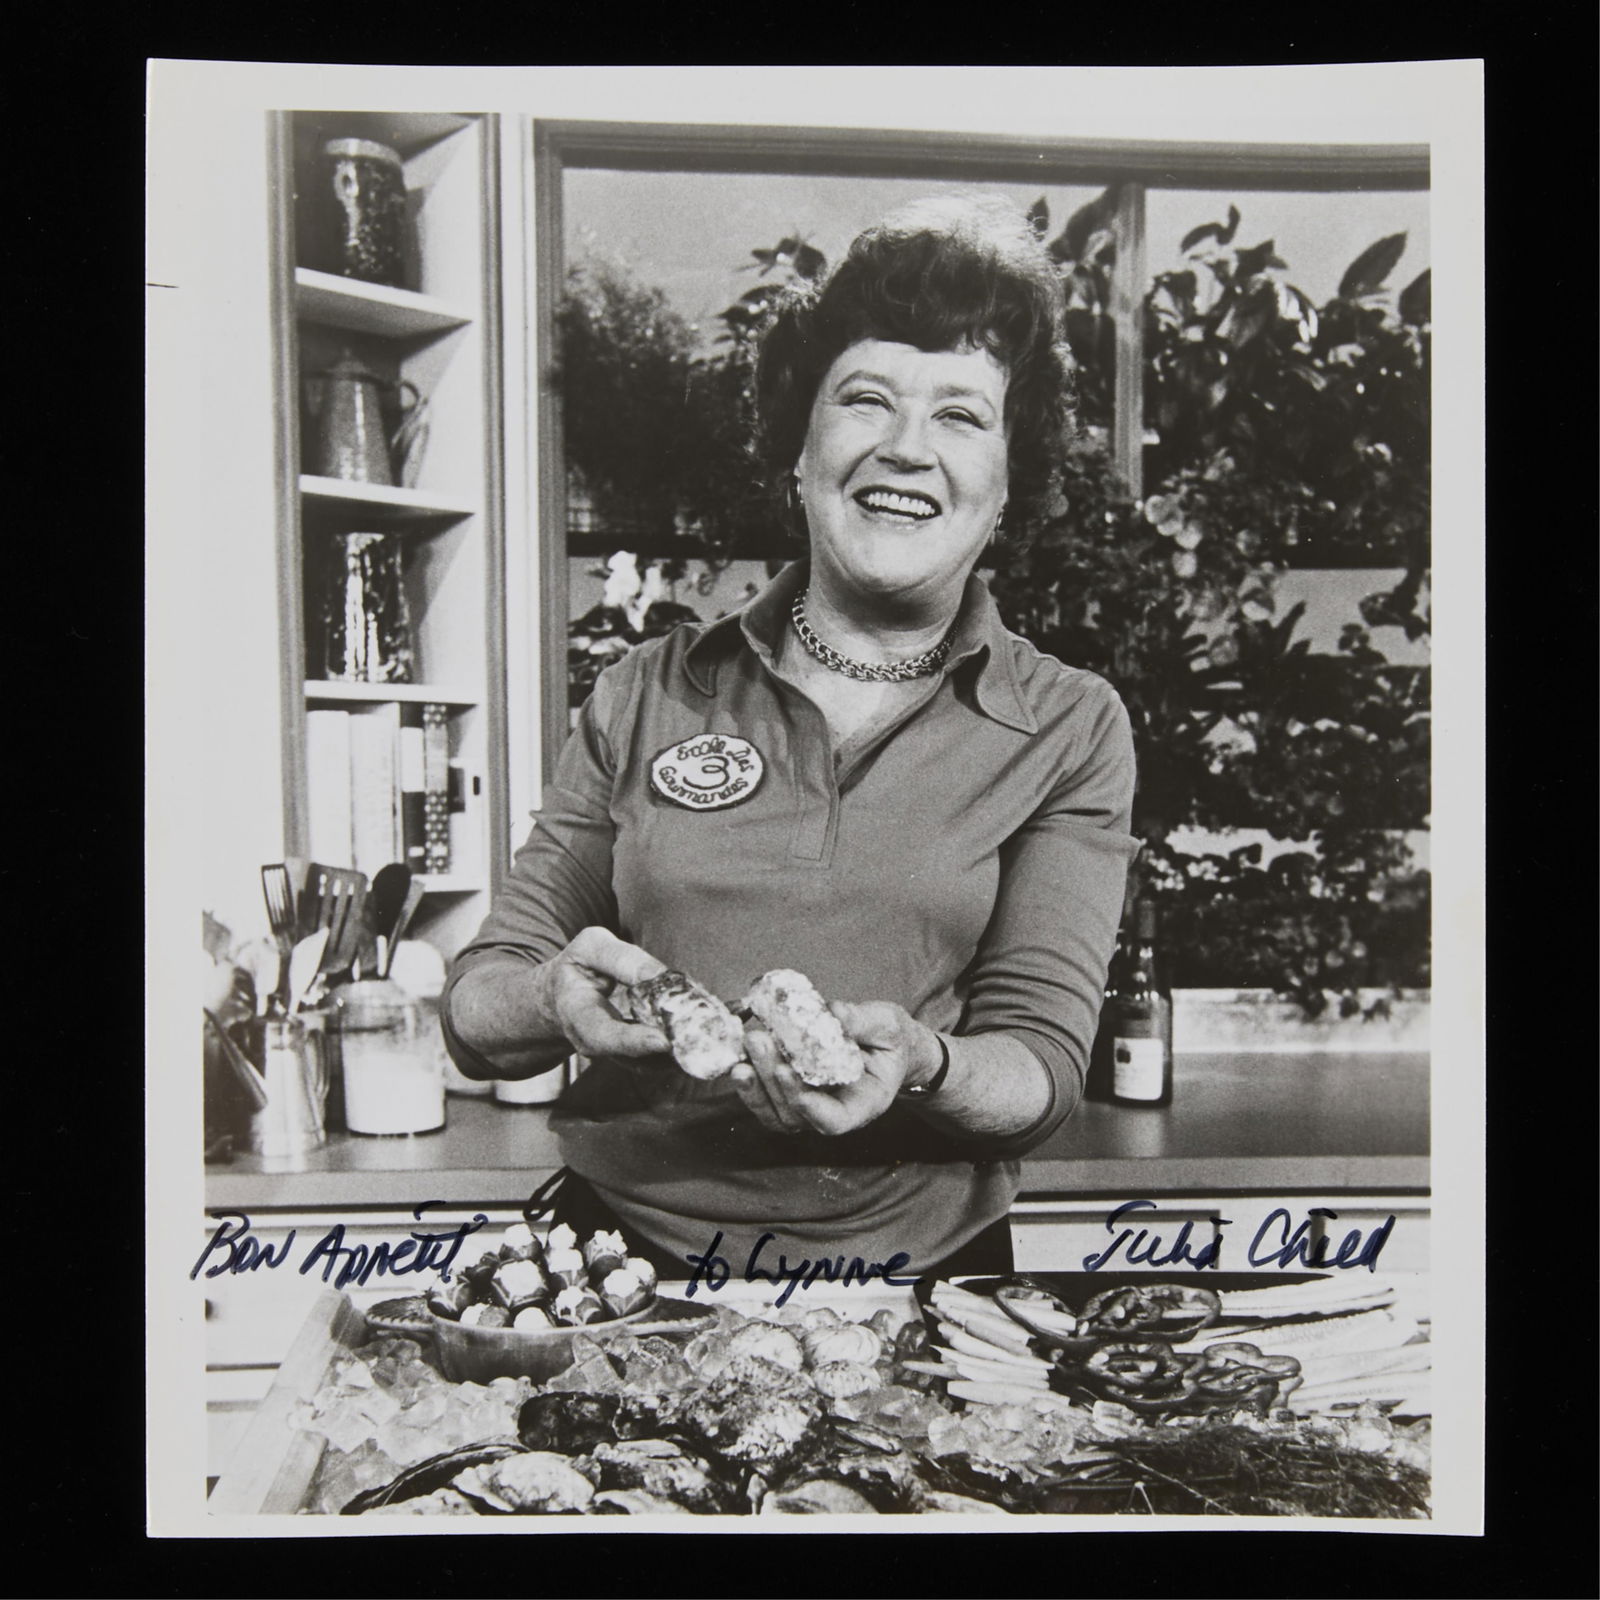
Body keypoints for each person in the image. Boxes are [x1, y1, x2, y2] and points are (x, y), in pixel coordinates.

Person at [442, 196, 1139, 1283]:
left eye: (960, 415)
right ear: (798, 451)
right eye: (865, 398)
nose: (905, 448)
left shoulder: (1067, 722)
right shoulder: (647, 691)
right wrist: (550, 1000)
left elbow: (1043, 1066)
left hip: (920, 1284)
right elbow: (480, 1002)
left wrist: (921, 1062)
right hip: (624, 1275)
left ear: (1004, 488)